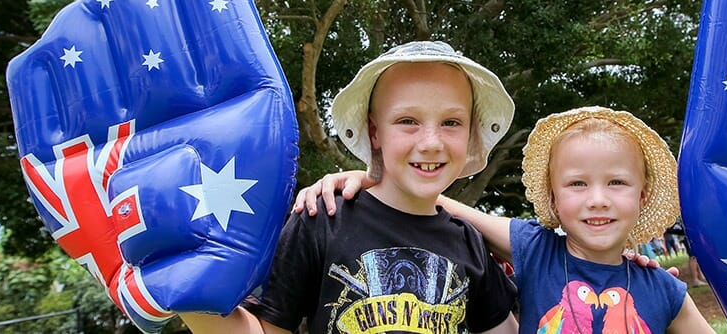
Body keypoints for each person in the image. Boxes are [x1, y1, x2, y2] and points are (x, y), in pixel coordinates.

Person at [181, 41, 520, 333]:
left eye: (451, 122)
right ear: (375, 132)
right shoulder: (322, 219)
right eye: (407, 121)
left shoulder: (470, 243)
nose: (431, 142)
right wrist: (180, 286)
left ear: (470, 134)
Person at [299, 106, 714, 333]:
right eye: (577, 184)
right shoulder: (536, 249)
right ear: (552, 196)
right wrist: (375, 180)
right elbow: (450, 207)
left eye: (617, 182)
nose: (597, 200)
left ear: (642, 197)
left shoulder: (663, 289)